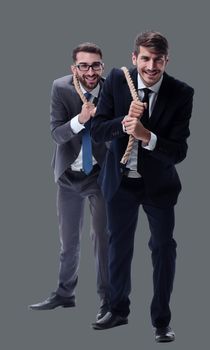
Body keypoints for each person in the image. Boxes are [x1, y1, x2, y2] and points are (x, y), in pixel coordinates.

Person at [90, 31, 194, 342]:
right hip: (120, 182)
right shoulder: (116, 80)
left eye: (157, 60)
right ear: (134, 58)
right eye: (145, 58)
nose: (151, 66)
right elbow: (96, 131)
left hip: (159, 186)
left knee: (163, 248)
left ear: (166, 61)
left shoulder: (181, 93)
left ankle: (161, 321)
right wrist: (124, 122)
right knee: (118, 247)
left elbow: (178, 152)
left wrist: (147, 136)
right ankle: (117, 309)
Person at [29, 42, 110, 321]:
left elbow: (120, 133)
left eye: (96, 65)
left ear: (102, 65)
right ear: (73, 68)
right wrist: (80, 119)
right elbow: (56, 134)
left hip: (99, 175)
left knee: (102, 238)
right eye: (84, 65)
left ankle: (107, 301)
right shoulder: (60, 88)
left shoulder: (112, 89)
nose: (90, 71)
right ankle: (65, 294)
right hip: (68, 176)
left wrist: (103, 123)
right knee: (68, 241)